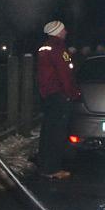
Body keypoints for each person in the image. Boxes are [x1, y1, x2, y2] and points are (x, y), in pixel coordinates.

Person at [35, 20, 79, 179]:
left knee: (48, 132)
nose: (66, 31)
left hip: (49, 95)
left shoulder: (46, 46)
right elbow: (64, 74)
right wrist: (72, 94)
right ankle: (52, 168)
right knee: (57, 133)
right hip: (59, 95)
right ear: (58, 31)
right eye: (64, 29)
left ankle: (44, 165)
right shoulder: (58, 48)